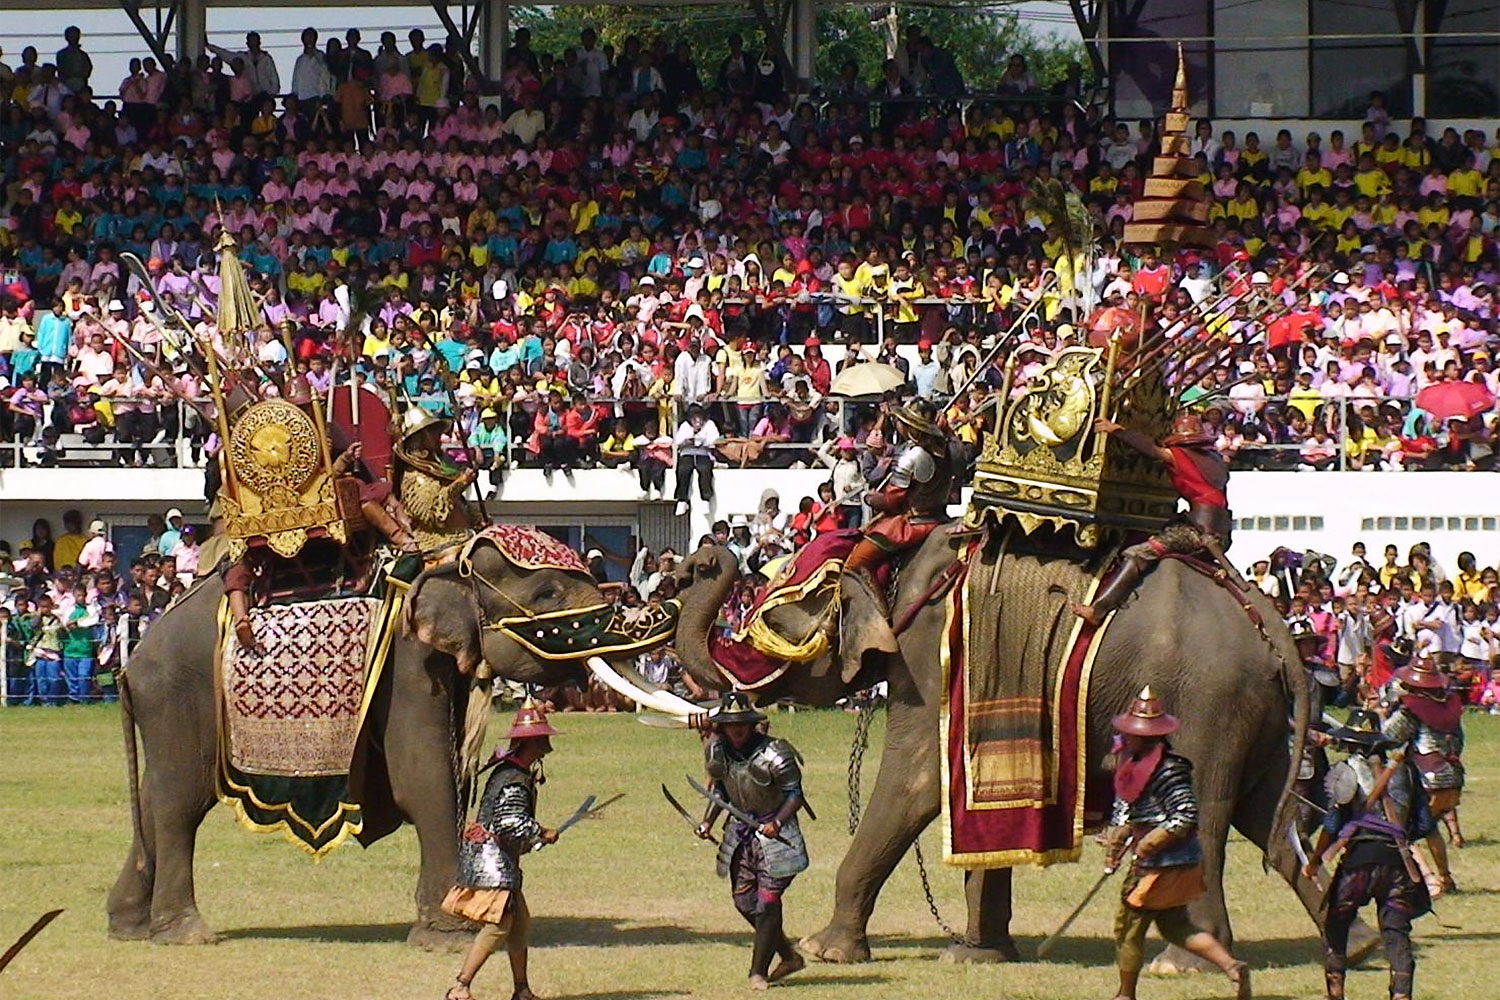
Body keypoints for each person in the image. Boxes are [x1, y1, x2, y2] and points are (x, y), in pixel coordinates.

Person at [1104, 686, 1250, 1000]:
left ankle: (1124, 994)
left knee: (1129, 925)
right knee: (1175, 926)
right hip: (1155, 863)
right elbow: (1127, 807)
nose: (1127, 737)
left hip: (1165, 864)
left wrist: (1153, 840)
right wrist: (1118, 838)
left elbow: (1184, 815)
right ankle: (1232, 966)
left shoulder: (1170, 769)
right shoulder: (1130, 763)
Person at [1303, 711, 1433, 1000]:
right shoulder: (1408, 771)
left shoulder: (1344, 771)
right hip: (1398, 863)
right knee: (1396, 931)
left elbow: (1332, 826)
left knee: (1336, 924)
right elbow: (1424, 824)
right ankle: (1401, 994)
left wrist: (1313, 863)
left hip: (1358, 862)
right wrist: (1399, 835)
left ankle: (1335, 992)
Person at [444, 701, 560, 1000]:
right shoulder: (514, 778)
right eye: (543, 737)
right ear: (531, 741)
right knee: (499, 924)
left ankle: (521, 989)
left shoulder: (514, 773)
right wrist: (540, 832)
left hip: (500, 857)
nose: (548, 743)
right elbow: (509, 822)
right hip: (493, 861)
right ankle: (461, 986)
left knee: (519, 923)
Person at [1073, 412, 1233, 625]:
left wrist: (1118, 430)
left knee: (1137, 553)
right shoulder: (1215, 459)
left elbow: (1152, 451)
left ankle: (1099, 609)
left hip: (1199, 533)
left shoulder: (1181, 456)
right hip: (1221, 532)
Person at [694, 692, 808, 990]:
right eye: (731, 725)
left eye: (742, 723)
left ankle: (758, 972)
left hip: (777, 837)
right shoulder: (718, 752)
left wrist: (777, 822)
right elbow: (721, 792)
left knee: (768, 903)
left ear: (751, 723)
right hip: (741, 834)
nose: (737, 729)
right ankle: (788, 956)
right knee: (745, 902)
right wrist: (708, 821)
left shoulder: (775, 752)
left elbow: (795, 794)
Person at [842, 400, 954, 607]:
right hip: (939, 516)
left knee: (857, 562)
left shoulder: (912, 456)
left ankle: (881, 615)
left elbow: (892, 500)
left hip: (914, 523)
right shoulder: (944, 450)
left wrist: (870, 498)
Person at [1381, 658, 1465, 893]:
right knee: (1430, 829)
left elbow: (1388, 737)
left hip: (1426, 778)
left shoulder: (1413, 709)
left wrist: (1381, 712)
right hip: (1452, 777)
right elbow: (1459, 742)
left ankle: (1427, 880)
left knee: (1401, 830)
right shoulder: (1450, 705)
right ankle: (1445, 879)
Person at [392, 406, 477, 553]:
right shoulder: (414, 477)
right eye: (431, 431)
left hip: (464, 531)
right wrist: (459, 484)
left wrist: (476, 517)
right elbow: (432, 513)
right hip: (439, 539)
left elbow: (459, 503)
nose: (437, 435)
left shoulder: (441, 464)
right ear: (419, 438)